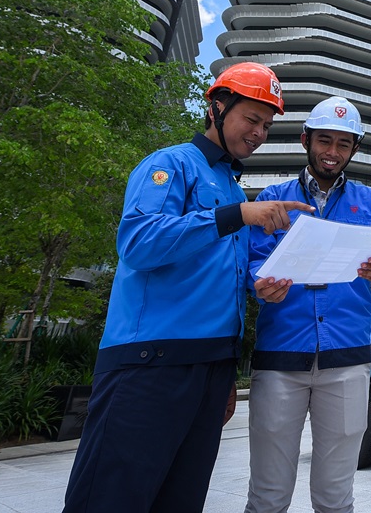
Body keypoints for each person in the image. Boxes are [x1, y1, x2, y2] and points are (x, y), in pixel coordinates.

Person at [63, 62, 315, 513]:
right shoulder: (170, 164)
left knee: (180, 500)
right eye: (251, 120)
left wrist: (261, 289)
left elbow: (219, 279)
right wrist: (237, 216)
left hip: (210, 368)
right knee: (110, 499)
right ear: (217, 108)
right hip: (149, 364)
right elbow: (139, 244)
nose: (259, 133)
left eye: (267, 125)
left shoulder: (233, 189)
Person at [244, 95, 371, 513]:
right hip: (281, 355)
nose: (332, 152)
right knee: (267, 492)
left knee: (337, 494)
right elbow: (250, 264)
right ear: (305, 140)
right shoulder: (274, 198)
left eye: (343, 144)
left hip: (347, 360)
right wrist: (258, 283)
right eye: (324, 141)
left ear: (354, 149)